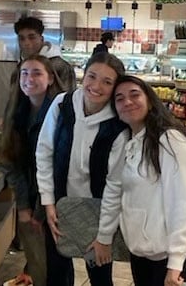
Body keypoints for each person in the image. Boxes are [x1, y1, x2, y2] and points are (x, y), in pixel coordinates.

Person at [36, 52, 127, 286]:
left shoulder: (117, 126)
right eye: (92, 76)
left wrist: (105, 234)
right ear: (83, 75)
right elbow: (44, 152)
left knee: (100, 276)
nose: (96, 86)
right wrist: (48, 202)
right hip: (58, 208)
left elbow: (116, 185)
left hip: (96, 213)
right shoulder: (63, 104)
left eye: (107, 82)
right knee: (56, 274)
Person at [107, 75, 186, 286]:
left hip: (172, 261)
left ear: (150, 100)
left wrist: (176, 263)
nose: (127, 102)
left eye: (134, 95)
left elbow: (185, 202)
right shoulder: (130, 142)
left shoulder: (169, 140)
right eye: (119, 98)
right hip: (143, 257)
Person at [0, 55, 66, 286]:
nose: (29, 78)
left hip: (54, 204)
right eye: (24, 73)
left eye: (37, 73)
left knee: (56, 268)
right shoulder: (16, 110)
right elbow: (9, 159)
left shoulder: (61, 113)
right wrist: (24, 205)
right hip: (31, 200)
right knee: (39, 267)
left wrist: (38, 210)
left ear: (50, 80)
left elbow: (56, 167)